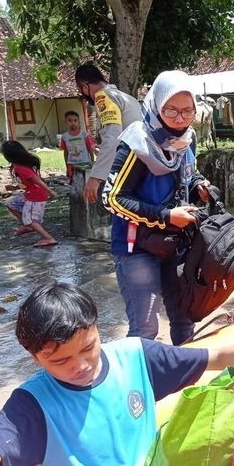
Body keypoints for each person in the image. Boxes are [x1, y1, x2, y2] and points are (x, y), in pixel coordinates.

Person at [0, 282, 234, 466]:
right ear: (35, 357)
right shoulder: (31, 403)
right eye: (60, 361)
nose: (80, 366)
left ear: (96, 328)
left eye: (88, 348)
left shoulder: (136, 356)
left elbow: (214, 356)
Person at [102, 70, 210, 344]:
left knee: (185, 317)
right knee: (146, 329)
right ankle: (141, 384)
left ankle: (186, 381)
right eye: (171, 110)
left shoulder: (187, 139)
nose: (180, 118)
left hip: (175, 242)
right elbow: (112, 197)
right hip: (137, 246)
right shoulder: (137, 143)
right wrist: (165, 216)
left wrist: (199, 184)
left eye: (188, 111)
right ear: (156, 104)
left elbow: (186, 175)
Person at [75, 63, 143, 204]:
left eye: (81, 90)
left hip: (130, 168)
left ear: (85, 86)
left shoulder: (103, 97)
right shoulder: (125, 97)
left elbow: (112, 138)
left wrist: (95, 177)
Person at [1, 141, 59, 248]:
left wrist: (50, 191)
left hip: (35, 196)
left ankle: (48, 238)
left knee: (30, 220)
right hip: (30, 193)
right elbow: (27, 182)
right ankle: (27, 226)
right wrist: (14, 188)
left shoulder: (20, 167)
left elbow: (36, 180)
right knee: (11, 204)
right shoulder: (19, 166)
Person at [59, 110, 96, 184]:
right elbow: (66, 152)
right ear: (65, 122)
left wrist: (92, 164)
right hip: (72, 165)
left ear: (79, 122)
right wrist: (67, 166)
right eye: (69, 120)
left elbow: (90, 150)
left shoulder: (84, 135)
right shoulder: (64, 137)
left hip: (85, 164)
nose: (73, 123)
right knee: (75, 184)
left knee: (86, 183)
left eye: (75, 120)